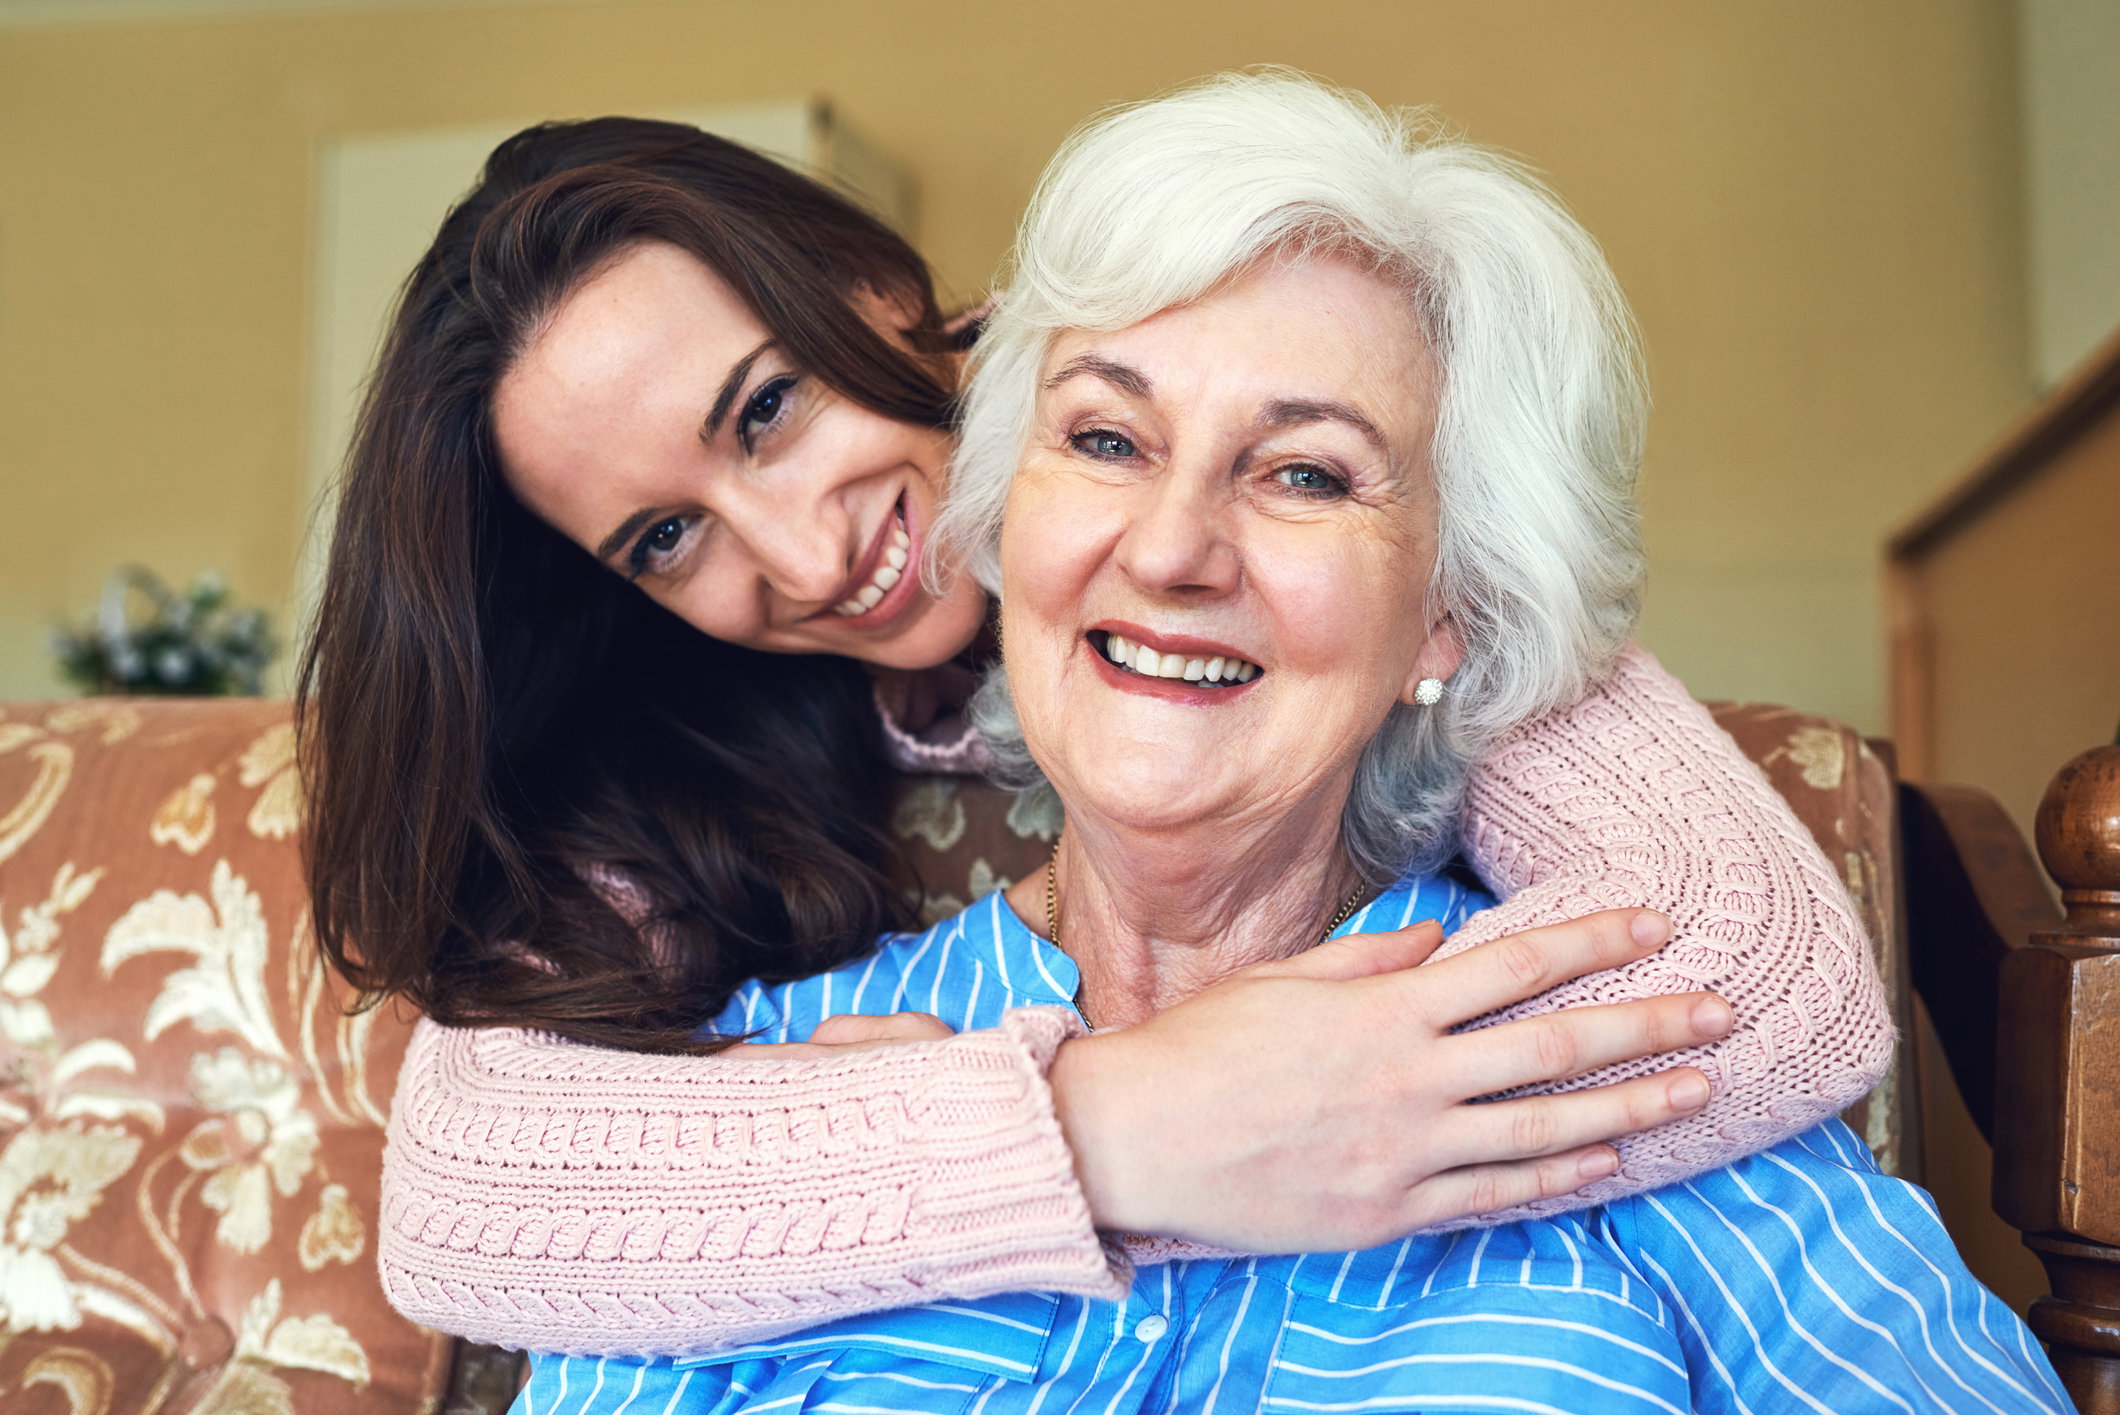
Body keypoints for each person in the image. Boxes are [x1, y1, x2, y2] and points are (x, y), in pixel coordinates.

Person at [511, 72, 2067, 1414]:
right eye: (1107, 442)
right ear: (1003, 512)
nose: (1173, 546)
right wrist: (1089, 1137)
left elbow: (1786, 974)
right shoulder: (761, 1108)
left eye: (1310, 476)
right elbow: (477, 1183)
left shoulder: (1637, 1085)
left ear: (1452, 615)